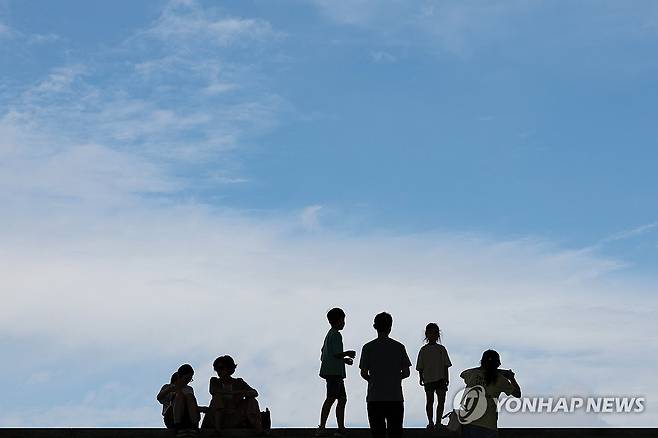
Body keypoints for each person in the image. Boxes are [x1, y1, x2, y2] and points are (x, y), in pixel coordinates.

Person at [359, 312, 412, 438]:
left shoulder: (367, 348)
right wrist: (394, 377)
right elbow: (406, 372)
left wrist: (373, 380)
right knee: (396, 433)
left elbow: (363, 373)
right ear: (390, 327)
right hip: (395, 397)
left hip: (375, 397)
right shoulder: (399, 347)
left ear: (375, 326)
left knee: (377, 433)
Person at [459, 350, 521, 438]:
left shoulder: (472, 374)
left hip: (469, 424)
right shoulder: (500, 379)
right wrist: (511, 378)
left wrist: (497, 370)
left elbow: (462, 374)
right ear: (497, 363)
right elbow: (517, 393)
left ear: (482, 361)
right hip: (488, 425)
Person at [316, 308, 356, 437]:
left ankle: (340, 427)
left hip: (334, 372)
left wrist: (344, 360)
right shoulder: (336, 335)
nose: (344, 323)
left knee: (342, 399)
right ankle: (322, 427)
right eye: (342, 320)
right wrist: (347, 353)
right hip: (334, 373)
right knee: (331, 398)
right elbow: (336, 354)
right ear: (337, 321)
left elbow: (327, 354)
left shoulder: (329, 335)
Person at [202, 355, 263, 434]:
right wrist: (239, 392)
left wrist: (247, 394)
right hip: (218, 417)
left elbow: (255, 393)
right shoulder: (214, 381)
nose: (219, 371)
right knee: (217, 398)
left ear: (229, 368)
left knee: (252, 400)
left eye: (221, 368)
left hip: (236, 415)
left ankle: (258, 429)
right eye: (217, 369)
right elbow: (214, 391)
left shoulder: (239, 382)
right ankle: (217, 430)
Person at [416, 323, 452, 430]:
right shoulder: (424, 350)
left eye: (435, 333)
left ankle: (438, 422)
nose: (433, 335)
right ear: (427, 334)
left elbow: (446, 365)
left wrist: (446, 378)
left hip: (440, 378)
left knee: (441, 401)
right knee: (430, 401)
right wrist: (421, 377)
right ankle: (431, 421)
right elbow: (420, 366)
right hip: (429, 378)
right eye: (431, 332)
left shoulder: (441, 349)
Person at [157, 364, 202, 432]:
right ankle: (178, 426)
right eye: (186, 379)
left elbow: (191, 404)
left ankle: (194, 425)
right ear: (179, 377)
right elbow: (159, 397)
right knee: (179, 396)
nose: (187, 382)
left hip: (187, 417)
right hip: (171, 417)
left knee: (190, 396)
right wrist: (169, 390)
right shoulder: (168, 387)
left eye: (190, 379)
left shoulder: (189, 389)